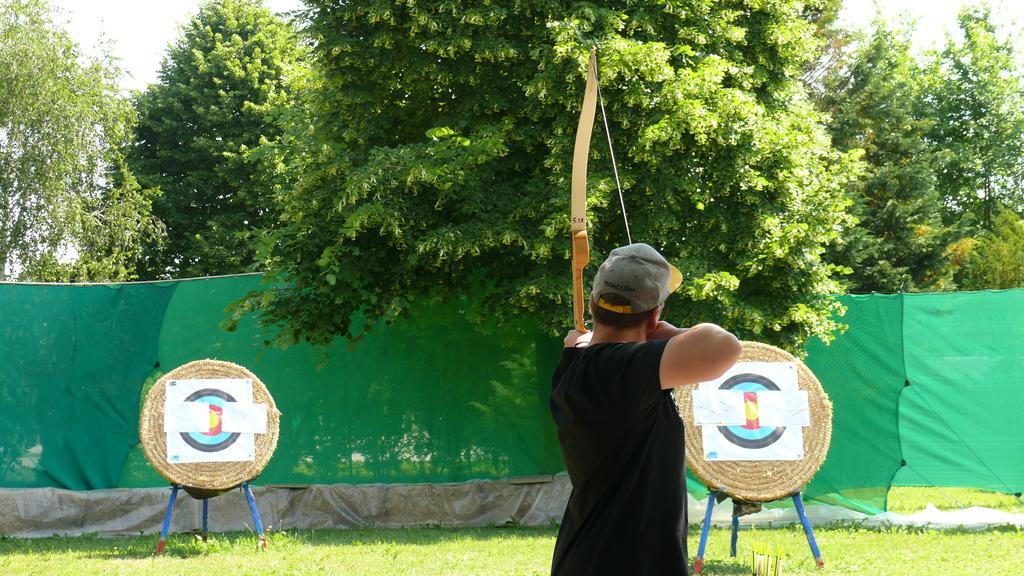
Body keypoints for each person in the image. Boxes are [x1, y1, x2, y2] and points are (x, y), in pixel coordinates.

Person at [550, 243, 742, 576]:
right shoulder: (620, 370)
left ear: (594, 303)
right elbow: (724, 346)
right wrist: (670, 334)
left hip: (590, 557)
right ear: (654, 316)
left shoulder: (580, 366)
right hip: (626, 563)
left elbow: (591, 348)